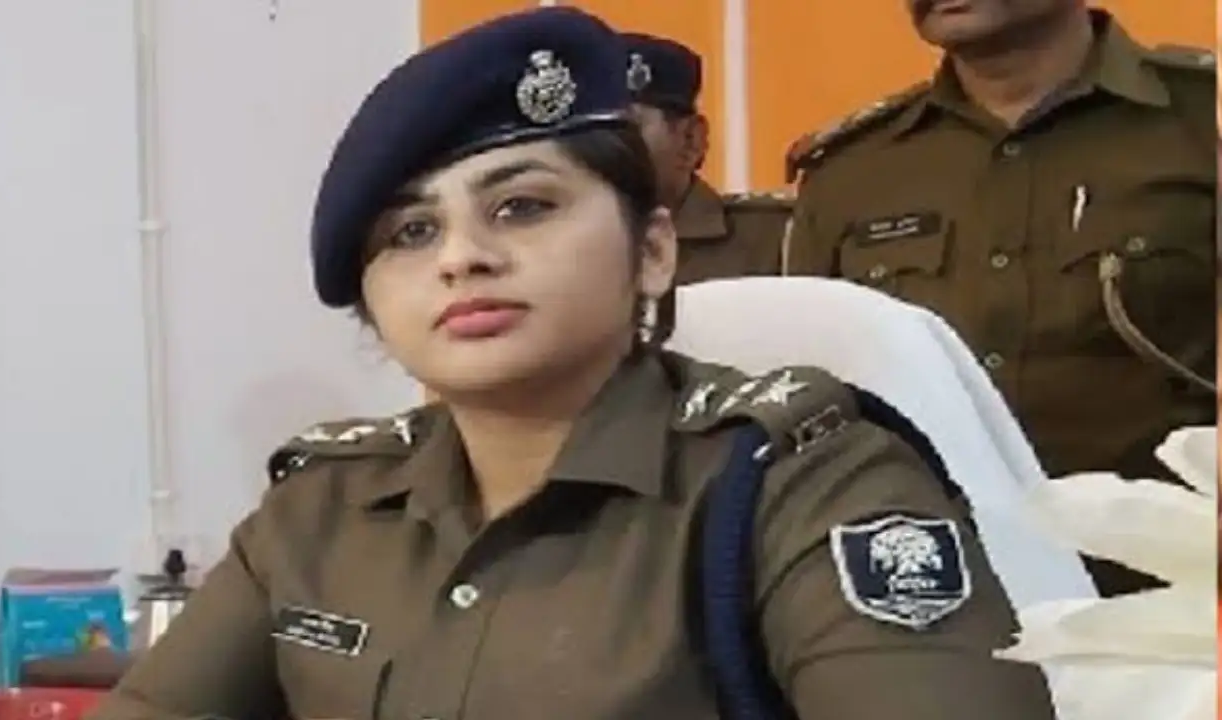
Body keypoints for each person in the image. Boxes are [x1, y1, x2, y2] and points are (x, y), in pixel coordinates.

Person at [88, 7, 1057, 720]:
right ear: (373, 303)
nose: (462, 256)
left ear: (653, 252)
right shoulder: (319, 511)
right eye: (411, 232)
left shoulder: (802, 485)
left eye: (522, 207)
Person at [782, 1, 1216, 595]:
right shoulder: (854, 170)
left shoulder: (1200, 124)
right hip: (931, 598)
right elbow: (811, 409)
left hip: (1166, 603)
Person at [622, 33, 794, 339]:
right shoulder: (556, 244)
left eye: (624, 127)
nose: (600, 146)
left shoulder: (777, 242)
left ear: (691, 141)